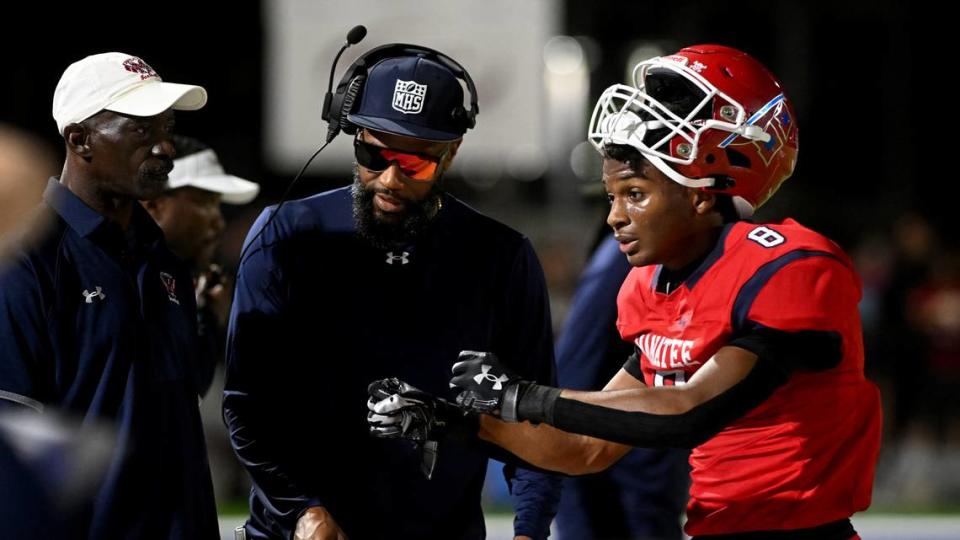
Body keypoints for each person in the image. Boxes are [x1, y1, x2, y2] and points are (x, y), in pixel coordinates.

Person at [368, 44, 882, 539]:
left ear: (703, 194)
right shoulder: (649, 286)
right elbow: (586, 448)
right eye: (612, 197)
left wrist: (522, 396)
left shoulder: (787, 265)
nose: (614, 217)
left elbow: (688, 412)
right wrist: (459, 424)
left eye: (634, 195)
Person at [224, 45, 560, 539]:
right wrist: (301, 510)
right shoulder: (286, 236)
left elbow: (535, 416)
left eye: (414, 164)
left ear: (452, 153)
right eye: (373, 153)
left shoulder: (502, 257)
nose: (389, 178)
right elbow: (246, 403)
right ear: (351, 134)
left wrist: (529, 529)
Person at [0, 52, 218, 538]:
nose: (164, 147)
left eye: (166, 127)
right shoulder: (27, 262)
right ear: (80, 140)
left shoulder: (163, 261)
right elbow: (13, 450)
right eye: (142, 129)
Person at [553, 226, 687, 540]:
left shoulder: (683, 257)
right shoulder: (631, 259)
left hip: (647, 482)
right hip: (625, 490)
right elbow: (573, 376)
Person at [142, 134, 260, 395]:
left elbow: (185, 398)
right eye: (204, 202)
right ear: (154, 205)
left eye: (218, 205)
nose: (218, 222)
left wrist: (208, 323)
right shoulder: (117, 279)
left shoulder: (181, 284)